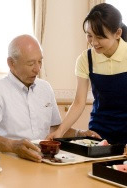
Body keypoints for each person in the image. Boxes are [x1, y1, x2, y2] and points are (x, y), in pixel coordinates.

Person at [0, 34, 100, 162]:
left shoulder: (45, 88)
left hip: (44, 160)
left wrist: (79, 134)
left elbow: (54, 129)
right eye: (31, 63)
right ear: (11, 63)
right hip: (12, 161)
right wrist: (13, 146)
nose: (37, 69)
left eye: (40, 61)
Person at [46, 3, 127, 146]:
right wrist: (60, 132)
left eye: (100, 37)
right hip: (99, 132)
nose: (94, 43)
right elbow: (78, 103)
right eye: (89, 35)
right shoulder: (86, 59)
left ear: (118, 33)